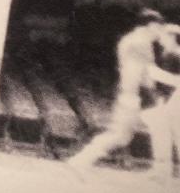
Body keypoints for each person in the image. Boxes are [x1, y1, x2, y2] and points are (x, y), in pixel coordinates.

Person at [69, 9, 180, 181]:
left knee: (156, 128)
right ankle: (81, 160)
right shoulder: (139, 43)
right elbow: (149, 72)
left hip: (139, 95)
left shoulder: (134, 40)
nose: (160, 33)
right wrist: (175, 81)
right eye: (158, 28)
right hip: (134, 95)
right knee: (121, 135)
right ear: (151, 26)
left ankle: (161, 171)